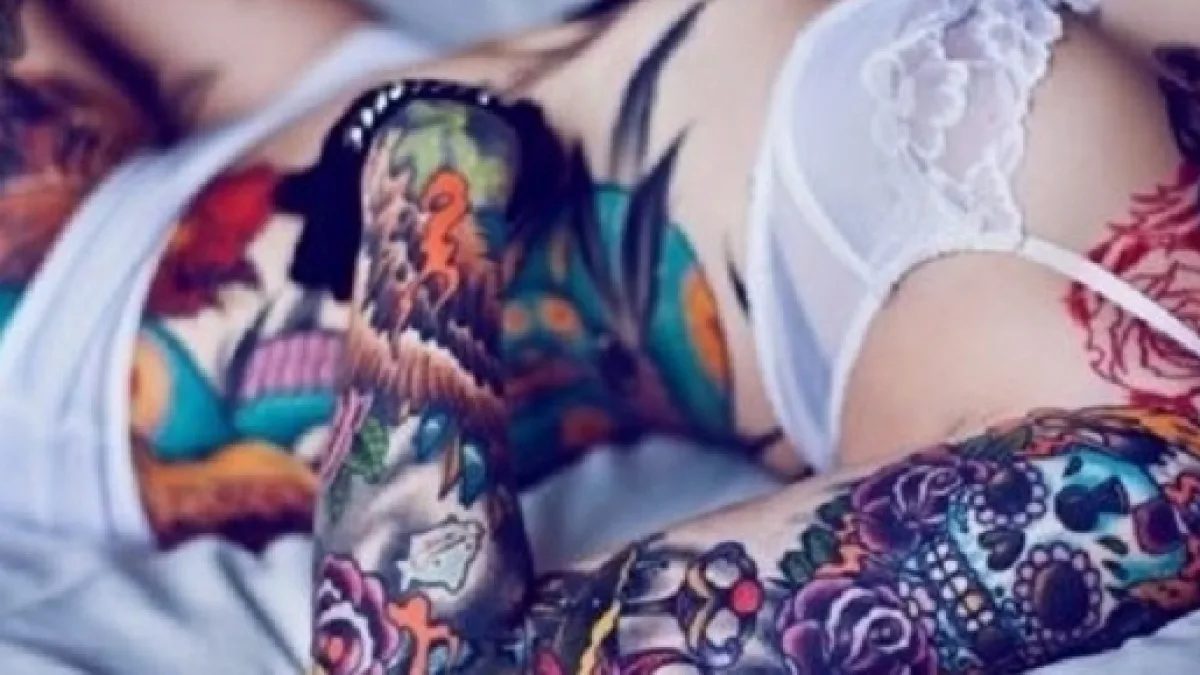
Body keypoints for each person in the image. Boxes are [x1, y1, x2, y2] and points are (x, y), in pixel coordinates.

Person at [5, 0, 1200, 672]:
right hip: (443, 80)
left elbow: (429, 657)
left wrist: (428, 175)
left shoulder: (1132, 497)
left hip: (148, 332)